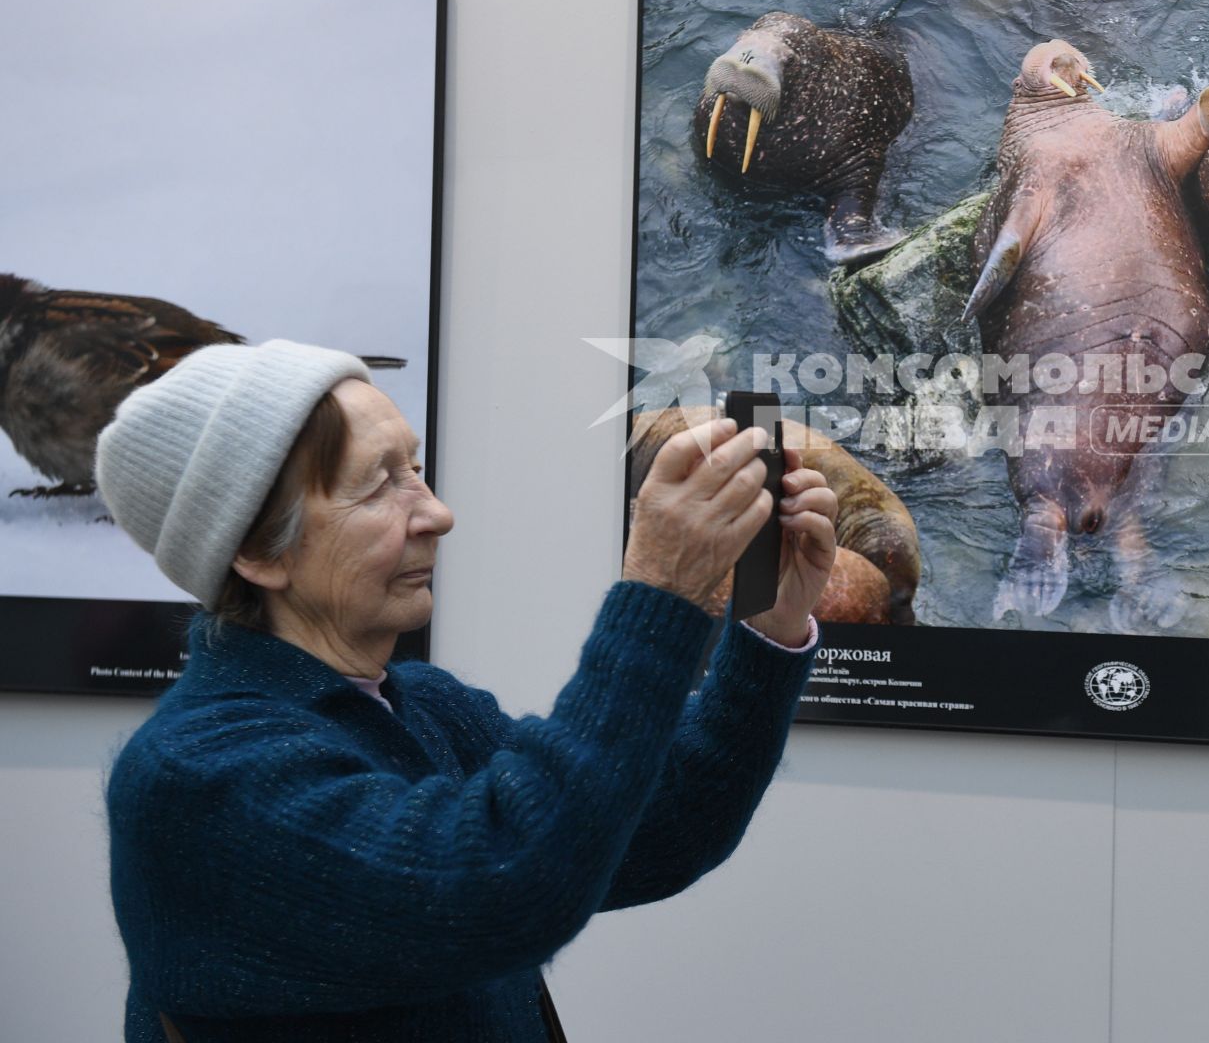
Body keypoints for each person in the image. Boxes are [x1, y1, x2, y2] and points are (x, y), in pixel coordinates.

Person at [94, 340, 836, 1042]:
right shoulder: (196, 778)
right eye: (379, 484)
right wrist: (659, 593)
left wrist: (770, 626)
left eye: (415, 469)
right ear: (259, 550)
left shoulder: (423, 705)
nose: (437, 515)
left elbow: (658, 835)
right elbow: (504, 884)